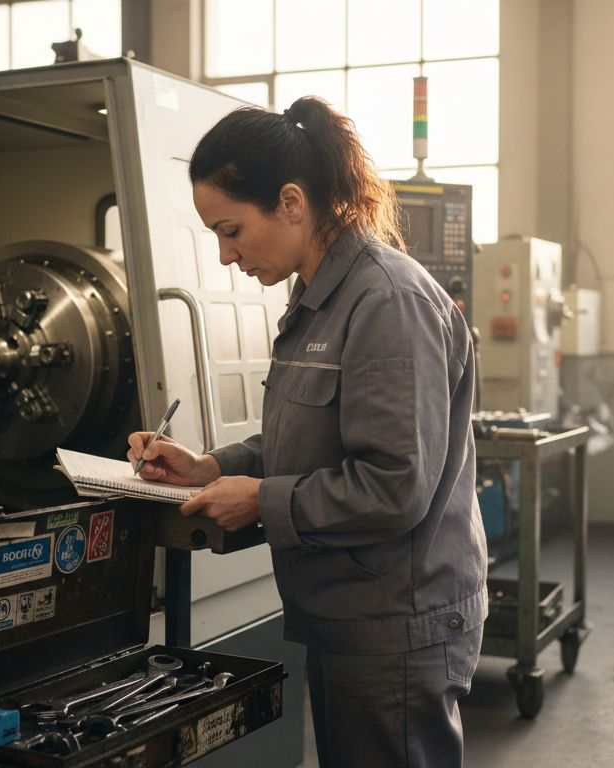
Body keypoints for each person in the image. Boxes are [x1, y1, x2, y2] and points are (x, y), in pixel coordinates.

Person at [126, 96, 487, 768]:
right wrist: (210, 467)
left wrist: (260, 501)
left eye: (231, 230)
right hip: (350, 611)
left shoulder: (386, 301)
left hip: (395, 623)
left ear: (291, 202)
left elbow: (394, 487)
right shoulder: (318, 297)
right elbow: (310, 440)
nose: (225, 255)